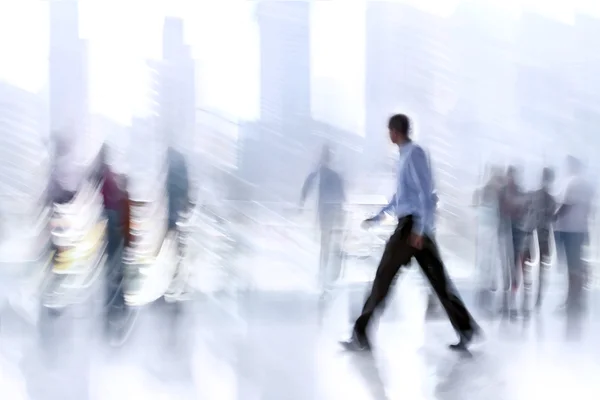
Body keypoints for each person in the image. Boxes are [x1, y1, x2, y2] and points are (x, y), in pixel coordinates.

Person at [341, 114, 480, 352]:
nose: (388, 135)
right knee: (438, 281)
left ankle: (361, 334)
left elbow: (426, 193)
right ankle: (466, 329)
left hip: (411, 229)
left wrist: (419, 229)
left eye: (389, 131)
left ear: (396, 131)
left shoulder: (414, 153)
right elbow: (402, 196)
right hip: (413, 227)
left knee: (383, 277)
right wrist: (379, 216)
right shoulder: (404, 155)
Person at [299, 144, 346, 293]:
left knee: (327, 245)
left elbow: (307, 187)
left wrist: (302, 203)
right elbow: (340, 197)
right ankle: (326, 275)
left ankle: (325, 274)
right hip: (329, 213)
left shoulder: (322, 174)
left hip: (327, 213)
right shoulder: (330, 175)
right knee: (329, 245)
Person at [554, 156, 594, 313]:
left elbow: (566, 205)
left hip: (568, 229)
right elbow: (590, 210)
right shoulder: (587, 186)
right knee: (576, 265)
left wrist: (552, 216)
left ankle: (572, 301)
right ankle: (576, 299)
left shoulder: (572, 182)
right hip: (581, 228)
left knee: (572, 268)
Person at [521, 167, 555, 312]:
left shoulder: (542, 197)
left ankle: (535, 297)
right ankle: (532, 296)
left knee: (536, 265)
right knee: (533, 264)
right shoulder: (545, 198)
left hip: (537, 232)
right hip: (535, 232)